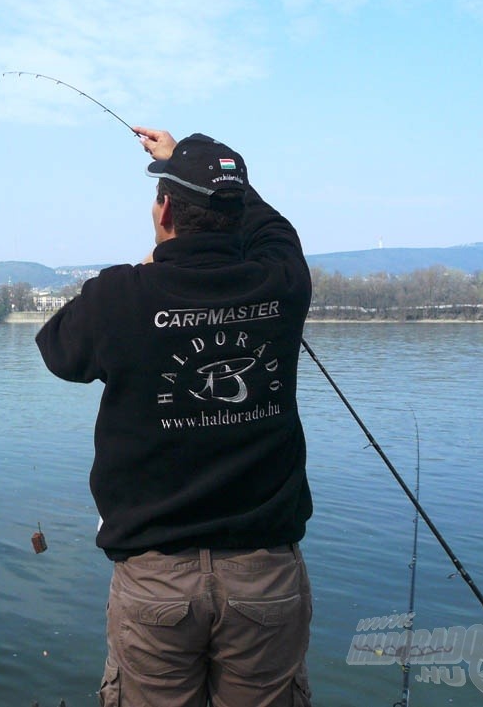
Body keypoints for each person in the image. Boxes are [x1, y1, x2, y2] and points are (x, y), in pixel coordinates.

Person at [35, 127, 313, 707]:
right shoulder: (282, 281)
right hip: (265, 574)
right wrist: (225, 182)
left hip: (155, 577)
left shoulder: (121, 295)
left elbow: (57, 348)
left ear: (163, 210)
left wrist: (151, 260)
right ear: (236, 215)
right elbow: (275, 230)